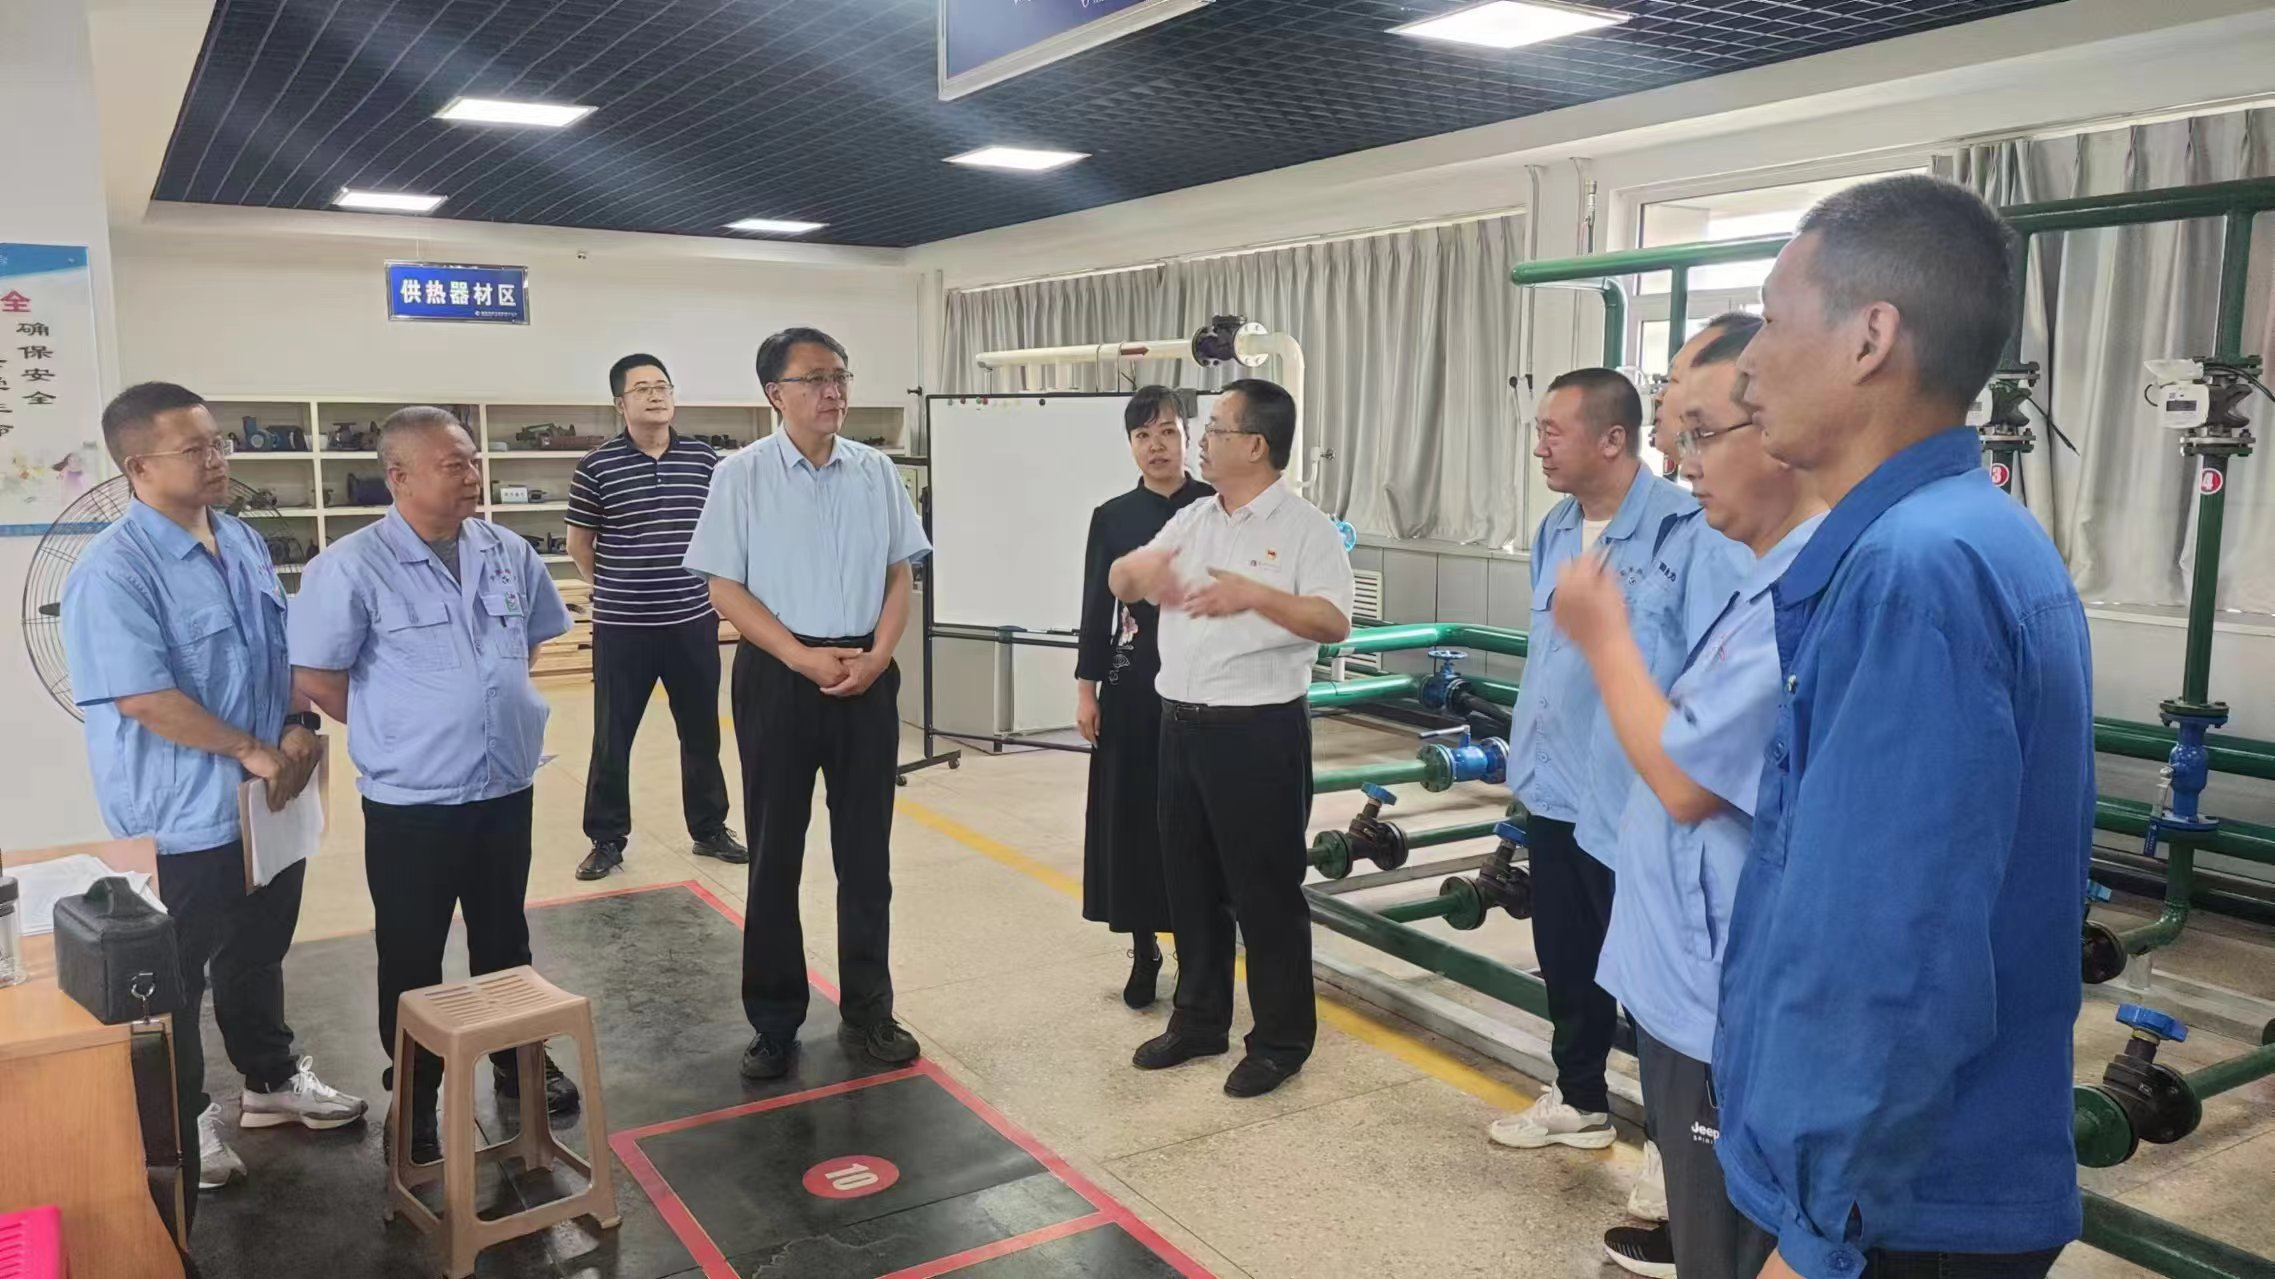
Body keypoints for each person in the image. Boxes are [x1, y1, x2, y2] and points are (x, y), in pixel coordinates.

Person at [1717, 175, 2092, 1279]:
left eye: (1773, 321)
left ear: (1870, 337)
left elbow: (1891, 947)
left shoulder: (1911, 571)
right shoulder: (1968, 532)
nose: (1746, 366)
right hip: (1915, 1185)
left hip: (1902, 1210)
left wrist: (1814, 1233)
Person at [1551, 318, 1827, 1279]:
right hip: (1676, 968)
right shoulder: (1765, 570)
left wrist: (1604, 637)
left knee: (1725, 1236)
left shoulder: (1794, 587)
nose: (1681, 457)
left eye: (1701, 430)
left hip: (1720, 996)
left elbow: (1685, 777)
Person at [62, 382, 365, 1206]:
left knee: (260, 948)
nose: (218, 459)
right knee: (176, 976)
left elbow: (281, 646)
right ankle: (187, 1115)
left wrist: (297, 722)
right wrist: (249, 750)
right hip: (182, 813)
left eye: (218, 442)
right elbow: (143, 697)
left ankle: (270, 1080)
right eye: (194, 448)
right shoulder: (114, 570)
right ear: (138, 466)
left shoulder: (240, 538)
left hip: (268, 800)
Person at [289, 406, 578, 1162]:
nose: (473, 475)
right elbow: (317, 675)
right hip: (412, 800)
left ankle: (518, 1062)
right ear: (400, 477)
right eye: (454, 465)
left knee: (505, 936)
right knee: (412, 950)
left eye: (473, 460)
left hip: (504, 786)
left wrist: (486, 708)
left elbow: (531, 642)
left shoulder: (508, 550)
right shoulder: (352, 566)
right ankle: (415, 1095)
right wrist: (399, 725)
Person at [1488, 368, 1746, 1151]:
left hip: (1635, 798)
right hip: (1554, 788)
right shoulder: (1554, 528)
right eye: (1536, 431)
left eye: (1552, 431)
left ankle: (1673, 1149)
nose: (1538, 446)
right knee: (1566, 960)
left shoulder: (1686, 533)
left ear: (1611, 438)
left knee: (1653, 980)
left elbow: (1709, 675)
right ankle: (1580, 1099)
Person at [684, 327, 929, 1082]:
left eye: (840, 376)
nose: (833, 391)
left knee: (866, 855)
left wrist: (879, 655)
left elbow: (899, 573)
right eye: (815, 378)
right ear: (775, 394)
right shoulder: (741, 475)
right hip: (779, 677)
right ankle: (774, 1020)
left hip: (865, 674)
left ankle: (870, 1010)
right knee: (775, 853)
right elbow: (723, 587)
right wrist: (798, 655)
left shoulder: (876, 471)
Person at [1110, 378, 1354, 1099]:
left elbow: (1334, 622)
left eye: (1215, 427)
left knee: (1265, 893)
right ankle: (1199, 1018)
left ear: (1254, 444)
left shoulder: (1306, 528)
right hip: (1179, 725)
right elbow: (1125, 578)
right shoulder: (1192, 518)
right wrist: (1132, 572)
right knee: (1188, 885)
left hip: (1257, 733)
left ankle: (1280, 1041)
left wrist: (1256, 595)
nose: (1201, 439)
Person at [565, 352, 744, 880]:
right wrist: (614, 586)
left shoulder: (705, 461)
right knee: (612, 735)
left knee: (701, 732)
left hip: (692, 620)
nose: (655, 394)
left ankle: (709, 828)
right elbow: (579, 544)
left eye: (662, 385)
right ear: (620, 403)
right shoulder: (596, 466)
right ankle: (606, 838)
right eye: (642, 388)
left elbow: (723, 532)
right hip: (624, 628)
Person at [1075, 387, 1213, 1009]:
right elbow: (1095, 608)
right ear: (1130, 445)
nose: (1156, 446)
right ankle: (1143, 947)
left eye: (1167, 432)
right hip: (1132, 686)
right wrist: (1087, 689)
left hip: (1204, 682)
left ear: (1187, 437)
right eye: (1143, 436)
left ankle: (1194, 951)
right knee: (1131, 816)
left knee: (1193, 821)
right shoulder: (1113, 516)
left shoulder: (1215, 506)